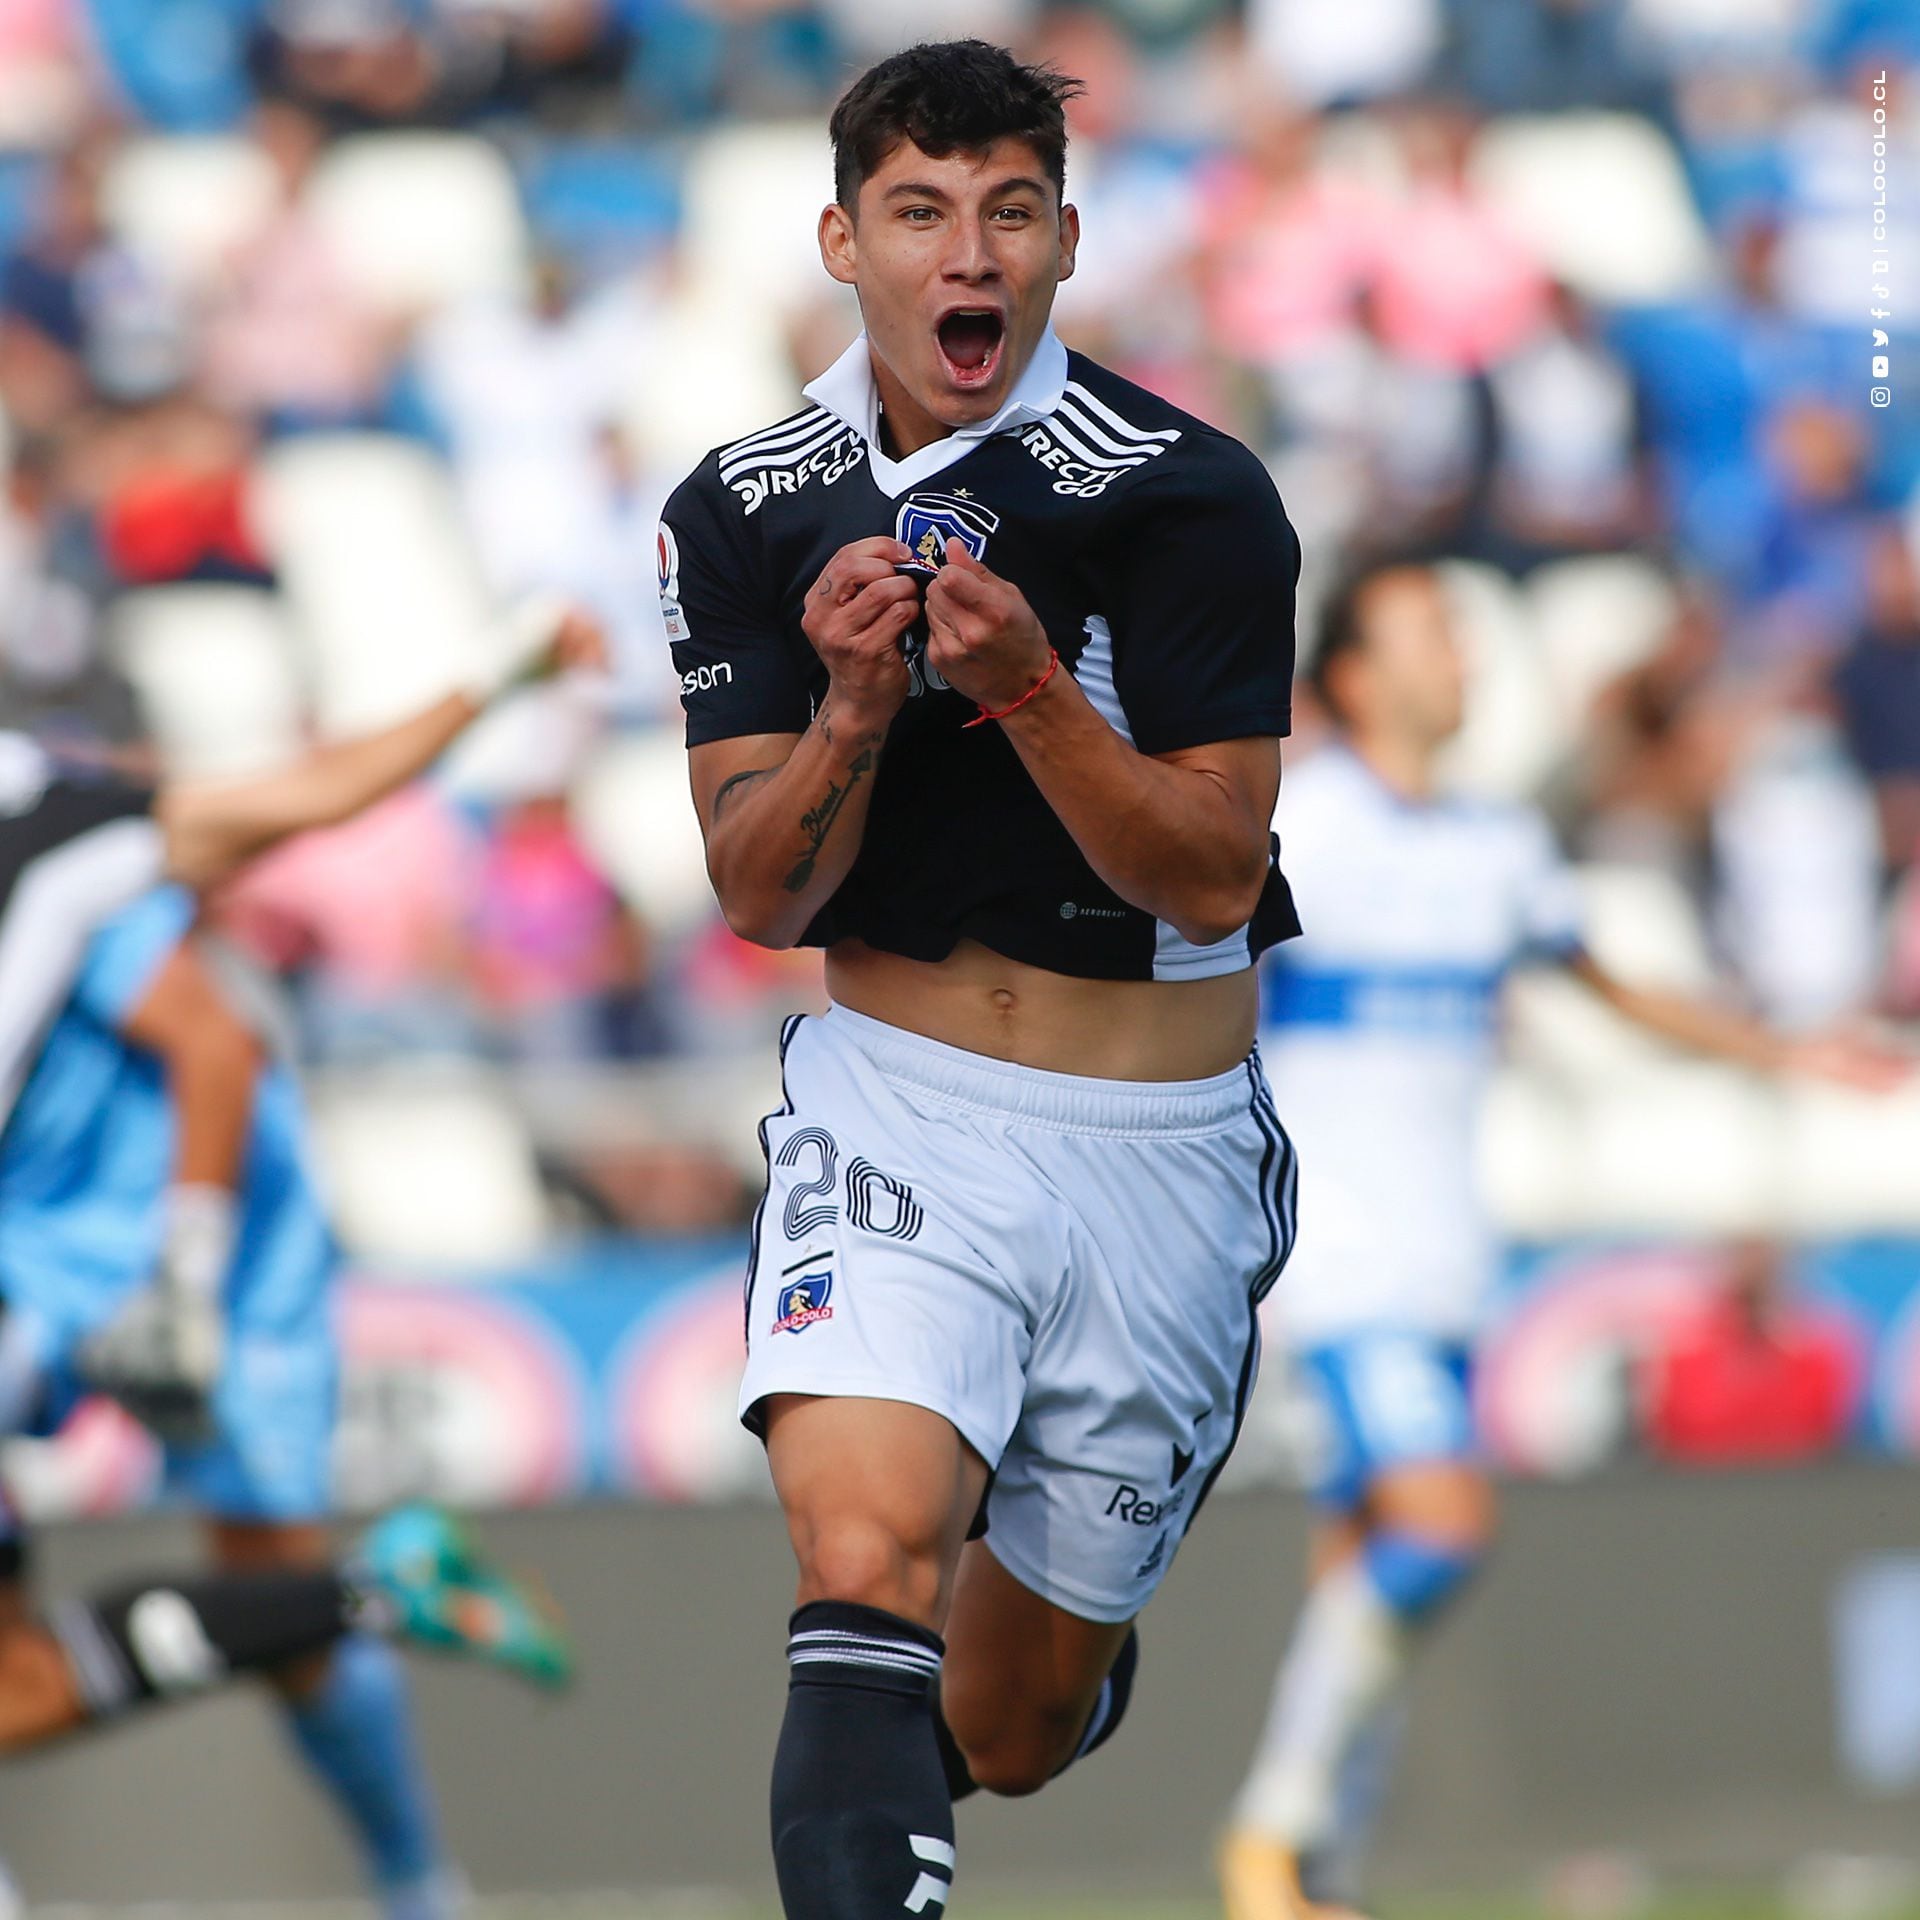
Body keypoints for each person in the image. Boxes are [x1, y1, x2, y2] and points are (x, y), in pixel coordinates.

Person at [660, 40, 1302, 1917]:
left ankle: (1021, 1713)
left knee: (1010, 1720)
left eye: (1009, 212)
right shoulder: (743, 508)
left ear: (1065, 242)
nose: (973, 252)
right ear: (844, 241)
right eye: (926, 212)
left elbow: (1211, 868)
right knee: (859, 1553)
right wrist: (855, 701)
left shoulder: (1188, 494)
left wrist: (1023, 685)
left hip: (1159, 1145)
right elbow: (762, 892)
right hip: (901, 1102)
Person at [1217, 556, 1908, 1920]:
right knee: (1440, 1525)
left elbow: (1614, 991)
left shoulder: (1495, 848)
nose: (1462, 661)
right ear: (1354, 677)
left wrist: (1784, 1049)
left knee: (1368, 1572)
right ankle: (1273, 1834)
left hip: (1447, 1267)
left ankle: (1315, 1880)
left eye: (1464, 638)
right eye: (1429, 637)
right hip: (1333, 1270)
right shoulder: (1299, 832)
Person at [0, 602, 596, 1919]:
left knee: (275, 1614)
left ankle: (415, 1884)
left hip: (197, 1248)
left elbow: (221, 1036)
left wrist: (191, 1275)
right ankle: (376, 1595)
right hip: (38, 1258)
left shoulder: (53, 852)